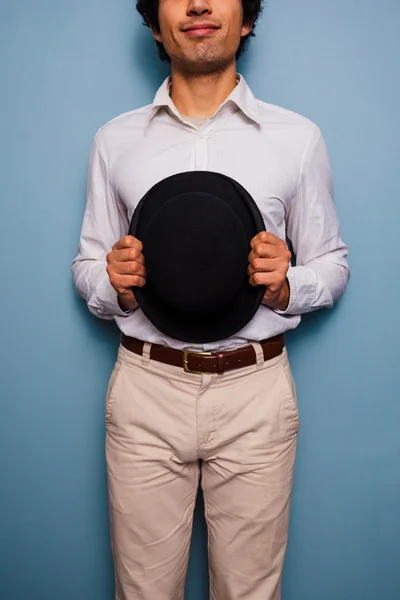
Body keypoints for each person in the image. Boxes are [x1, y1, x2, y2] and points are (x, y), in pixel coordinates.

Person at [71, 0, 350, 597]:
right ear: (154, 22)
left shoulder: (297, 138)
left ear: (246, 18)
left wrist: (288, 282)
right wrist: (112, 283)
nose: (198, 4)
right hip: (147, 392)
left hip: (256, 394)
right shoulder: (114, 140)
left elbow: (333, 265)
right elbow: (87, 265)